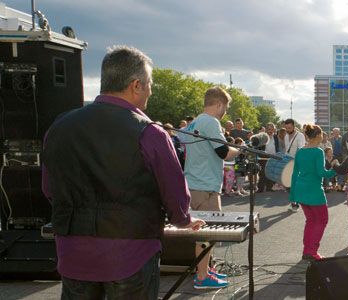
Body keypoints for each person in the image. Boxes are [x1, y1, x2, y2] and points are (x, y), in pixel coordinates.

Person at [41, 46, 206, 297]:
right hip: (129, 255)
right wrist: (183, 219)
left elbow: (49, 189)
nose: (150, 91)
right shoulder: (150, 133)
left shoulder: (60, 126)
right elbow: (173, 193)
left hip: (73, 252)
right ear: (136, 85)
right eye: (150, 84)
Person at [183, 86, 242, 288]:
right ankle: (202, 277)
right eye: (225, 106)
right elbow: (224, 152)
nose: (225, 110)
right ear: (219, 104)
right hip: (205, 185)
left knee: (203, 232)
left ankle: (206, 271)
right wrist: (239, 151)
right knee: (207, 233)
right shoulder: (211, 122)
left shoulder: (194, 123)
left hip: (194, 183)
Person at [289, 124, 337, 260]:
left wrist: (292, 195)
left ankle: (307, 251)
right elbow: (322, 173)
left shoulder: (300, 152)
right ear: (317, 136)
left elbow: (294, 174)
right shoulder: (317, 151)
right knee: (322, 220)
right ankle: (312, 251)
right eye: (322, 134)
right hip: (314, 190)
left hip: (301, 190)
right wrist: (334, 168)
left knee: (310, 221)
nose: (322, 136)